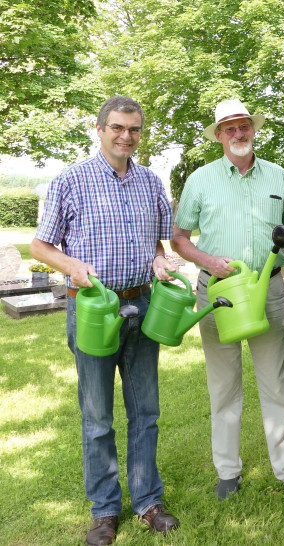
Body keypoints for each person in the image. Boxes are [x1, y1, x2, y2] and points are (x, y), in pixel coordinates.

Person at [30, 96, 180, 545]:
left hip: (143, 305)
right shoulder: (70, 180)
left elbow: (158, 244)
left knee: (146, 412)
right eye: (117, 128)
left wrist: (158, 261)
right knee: (97, 417)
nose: (126, 136)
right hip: (93, 308)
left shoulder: (151, 182)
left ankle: (149, 501)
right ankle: (104, 510)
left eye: (134, 129)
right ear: (99, 130)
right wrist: (72, 265)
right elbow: (40, 246)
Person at [171, 99, 284, 502]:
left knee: (277, 383)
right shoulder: (200, 179)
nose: (238, 133)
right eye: (229, 128)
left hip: (267, 290)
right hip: (218, 294)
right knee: (224, 386)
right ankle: (228, 471)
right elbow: (179, 238)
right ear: (218, 135)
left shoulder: (279, 176)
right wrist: (206, 260)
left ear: (253, 129)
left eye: (243, 126)